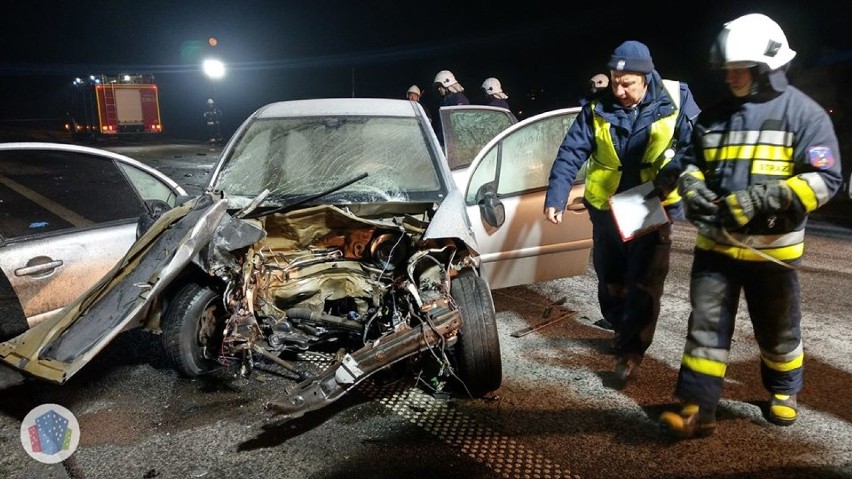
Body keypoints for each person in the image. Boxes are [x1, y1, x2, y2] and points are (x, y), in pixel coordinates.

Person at [659, 13, 842, 439]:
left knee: (778, 330)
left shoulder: (805, 116)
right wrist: (693, 188)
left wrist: (762, 198)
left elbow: (825, 179)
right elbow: (688, 165)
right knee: (705, 326)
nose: (731, 76)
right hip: (716, 248)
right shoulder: (714, 117)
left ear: (769, 66)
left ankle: (783, 391)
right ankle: (698, 407)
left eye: (740, 68)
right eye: (727, 68)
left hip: (772, 253)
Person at [543, 40, 700, 388]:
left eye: (627, 83)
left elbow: (697, 146)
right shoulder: (598, 108)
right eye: (615, 81)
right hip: (607, 207)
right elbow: (571, 152)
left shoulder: (676, 98)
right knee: (611, 279)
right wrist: (556, 195)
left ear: (646, 78)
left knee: (644, 283)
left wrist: (669, 178)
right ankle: (618, 326)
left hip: (648, 203)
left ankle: (632, 351)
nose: (619, 89)